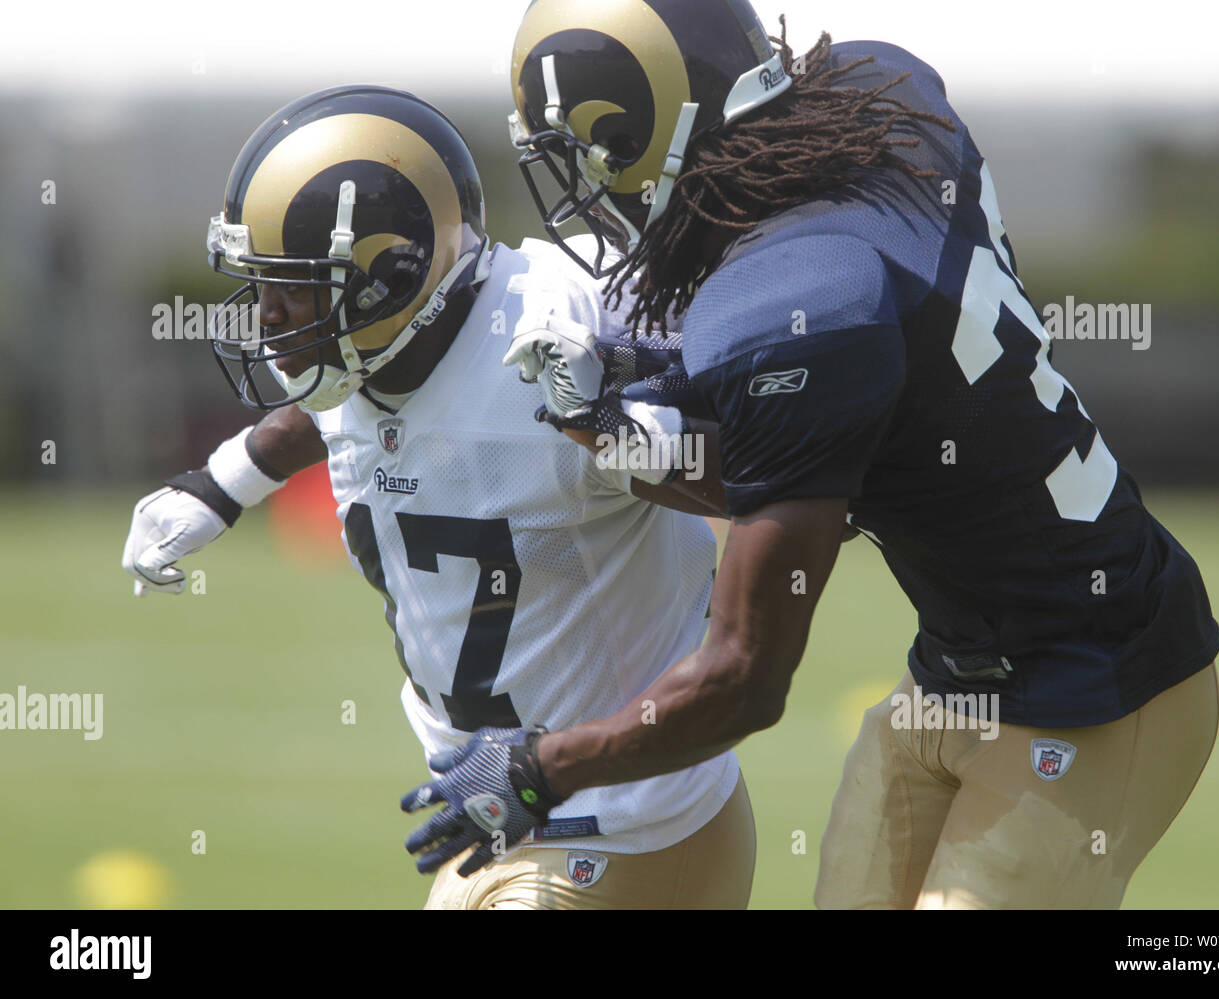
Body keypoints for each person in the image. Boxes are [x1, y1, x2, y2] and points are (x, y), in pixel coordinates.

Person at [420, 0, 1219, 909]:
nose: (592, 196)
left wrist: (540, 765)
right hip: (957, 677)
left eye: (593, 160)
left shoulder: (795, 307)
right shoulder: (881, 95)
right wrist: (616, 414)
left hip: (1102, 694)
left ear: (651, 140)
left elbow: (743, 677)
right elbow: (831, 430)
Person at [120, 84, 753, 909]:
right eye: (263, 283)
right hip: (488, 811)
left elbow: (757, 467)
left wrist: (611, 424)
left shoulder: (558, 336)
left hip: (624, 820)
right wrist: (227, 479)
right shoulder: (379, 350)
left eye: (293, 288)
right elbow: (346, 404)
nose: (267, 318)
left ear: (392, 281)